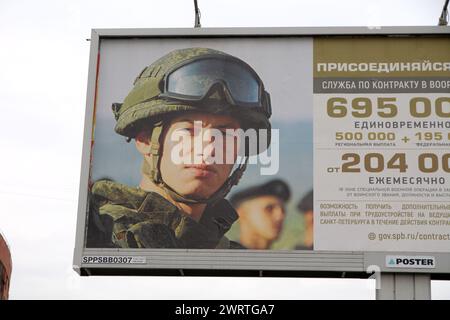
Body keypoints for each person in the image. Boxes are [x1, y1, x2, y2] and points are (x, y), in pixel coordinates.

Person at [86, 47, 272, 249]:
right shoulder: (96, 236)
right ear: (145, 140)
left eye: (225, 134)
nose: (207, 150)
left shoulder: (233, 259)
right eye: (189, 131)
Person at [229, 179, 290, 249]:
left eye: (283, 210)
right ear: (242, 213)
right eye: (269, 209)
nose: (280, 216)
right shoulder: (223, 257)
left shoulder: (283, 259)